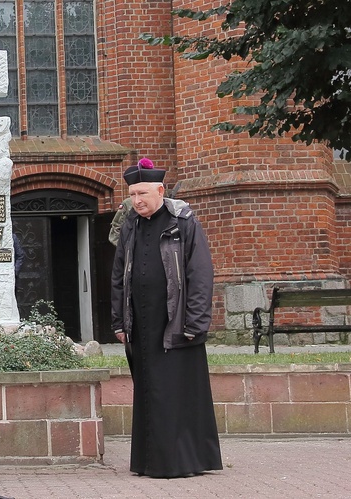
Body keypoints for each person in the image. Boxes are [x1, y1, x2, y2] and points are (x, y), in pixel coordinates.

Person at [110, 162, 222, 478]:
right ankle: (148, 461)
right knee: (149, 391)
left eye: (142, 193)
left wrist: (196, 323)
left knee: (175, 392)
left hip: (175, 323)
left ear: (160, 191)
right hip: (142, 324)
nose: (137, 200)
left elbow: (200, 275)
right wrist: (119, 321)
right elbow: (119, 275)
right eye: (132, 194)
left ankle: (182, 461)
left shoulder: (184, 223)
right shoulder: (130, 225)